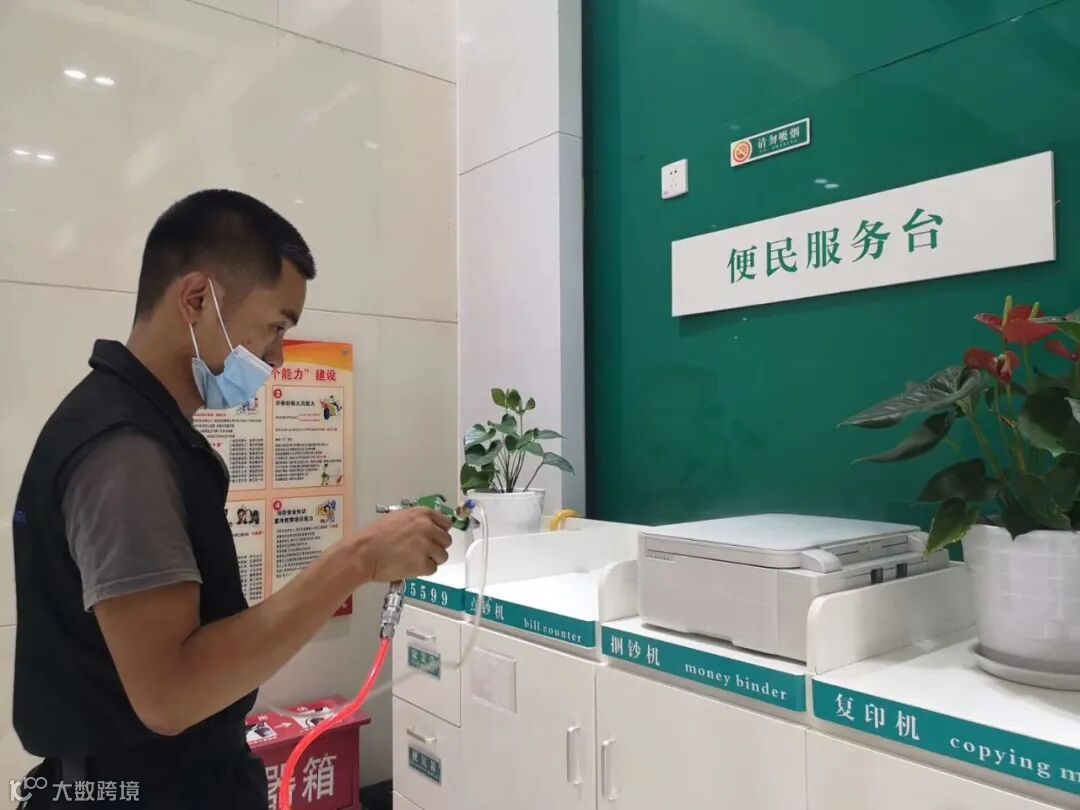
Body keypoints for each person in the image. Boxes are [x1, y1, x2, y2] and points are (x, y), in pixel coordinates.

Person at [11, 190, 452, 808]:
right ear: (196, 299)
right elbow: (171, 695)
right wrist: (358, 561)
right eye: (276, 326)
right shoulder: (124, 452)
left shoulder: (142, 430)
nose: (276, 357)